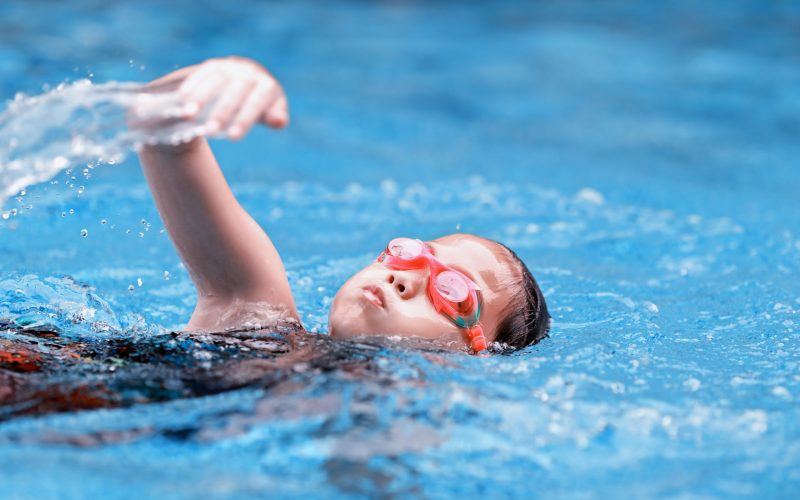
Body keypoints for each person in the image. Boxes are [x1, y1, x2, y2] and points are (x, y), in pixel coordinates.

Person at [137, 56, 550, 354]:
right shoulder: (252, 312)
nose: (404, 281)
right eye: (414, 256)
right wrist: (227, 77)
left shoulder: (409, 418)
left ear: (475, 353)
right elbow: (162, 133)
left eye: (453, 292)